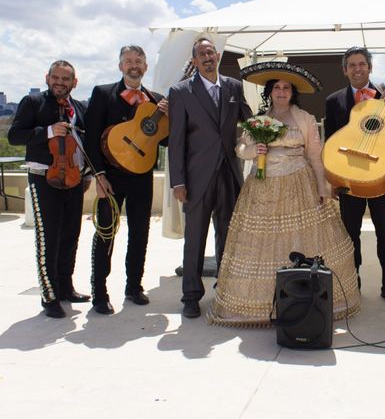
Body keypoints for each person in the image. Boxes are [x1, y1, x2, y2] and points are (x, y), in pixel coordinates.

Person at [207, 62, 360, 326]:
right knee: (262, 245)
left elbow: (315, 155)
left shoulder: (305, 119)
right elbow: (240, 149)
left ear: (292, 93)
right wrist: (256, 151)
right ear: (270, 91)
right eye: (276, 87)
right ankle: (261, 305)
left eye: (286, 88)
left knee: (300, 240)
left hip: (299, 185)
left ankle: (303, 298)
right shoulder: (258, 120)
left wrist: (323, 188)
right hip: (262, 187)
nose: (281, 91)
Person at [168, 38, 252, 319]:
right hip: (196, 178)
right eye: (201, 54)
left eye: (210, 53)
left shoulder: (233, 86)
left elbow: (248, 118)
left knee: (228, 237)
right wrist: (178, 182)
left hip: (229, 173)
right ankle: (191, 296)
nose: (207, 57)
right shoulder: (180, 92)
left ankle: (225, 290)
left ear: (218, 56)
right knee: (195, 239)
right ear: (194, 61)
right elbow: (176, 140)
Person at [84, 45, 168, 315]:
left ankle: (134, 286)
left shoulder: (155, 100)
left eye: (139, 61)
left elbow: (164, 140)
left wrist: (170, 115)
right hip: (110, 176)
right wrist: (98, 174)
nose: (134, 65)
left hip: (141, 177)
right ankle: (99, 293)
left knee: (140, 234)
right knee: (106, 233)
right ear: (120, 66)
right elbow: (90, 137)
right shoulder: (102, 93)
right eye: (129, 61)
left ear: (145, 67)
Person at [8, 60, 91, 318]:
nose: (59, 82)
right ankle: (49, 295)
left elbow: (83, 140)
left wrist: (86, 173)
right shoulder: (33, 103)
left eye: (65, 79)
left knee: (70, 235)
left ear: (74, 83)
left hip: (74, 180)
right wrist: (47, 131)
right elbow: (14, 136)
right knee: (48, 239)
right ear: (47, 77)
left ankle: (66, 287)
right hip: (44, 179)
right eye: (55, 77)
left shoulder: (78, 108)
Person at [324, 46, 385, 307]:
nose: (357, 69)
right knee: (350, 234)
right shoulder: (334, 101)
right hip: (348, 177)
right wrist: (333, 179)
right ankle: (352, 283)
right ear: (345, 70)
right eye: (352, 65)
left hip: (380, 173)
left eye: (362, 64)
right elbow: (331, 142)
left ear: (370, 67)